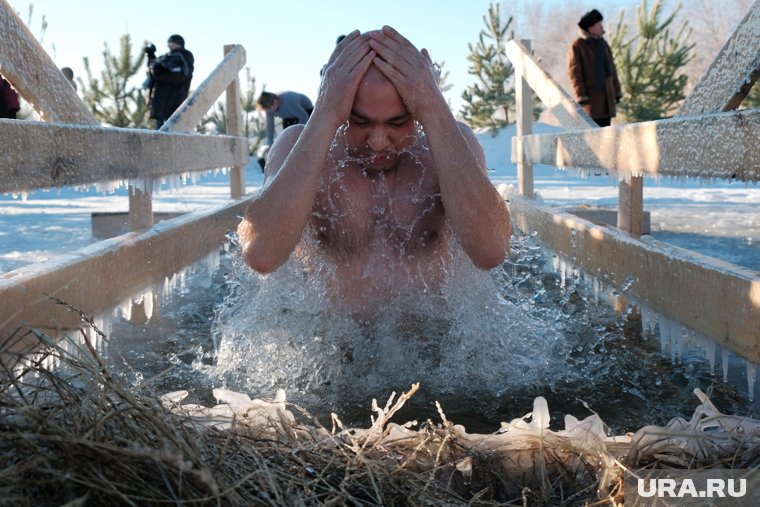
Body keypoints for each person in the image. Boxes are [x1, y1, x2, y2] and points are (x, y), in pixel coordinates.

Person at [238, 27, 511, 317]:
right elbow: (261, 254)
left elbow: (491, 251)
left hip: (433, 348)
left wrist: (435, 108)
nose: (378, 142)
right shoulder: (299, 146)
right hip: (331, 348)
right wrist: (326, 112)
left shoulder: (450, 145)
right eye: (359, 121)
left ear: (418, 110)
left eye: (397, 123)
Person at [567, 9, 622, 127]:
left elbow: (612, 70)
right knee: (592, 134)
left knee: (606, 135)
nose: (602, 27)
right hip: (590, 100)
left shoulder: (603, 44)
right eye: (599, 24)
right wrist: (581, 95)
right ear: (590, 28)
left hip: (607, 99)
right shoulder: (578, 45)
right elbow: (574, 72)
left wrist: (616, 91)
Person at [144, 34, 194, 129]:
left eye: (171, 42)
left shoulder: (183, 56)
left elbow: (181, 75)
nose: (169, 45)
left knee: (173, 134)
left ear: (177, 43)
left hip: (174, 101)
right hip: (161, 103)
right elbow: (153, 69)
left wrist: (159, 73)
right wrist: (151, 56)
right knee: (160, 136)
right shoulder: (166, 57)